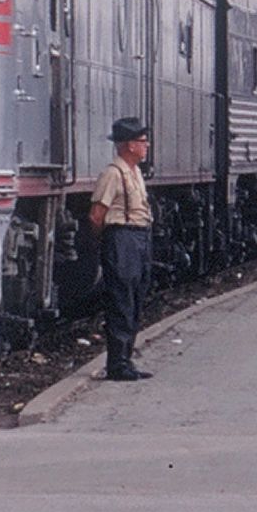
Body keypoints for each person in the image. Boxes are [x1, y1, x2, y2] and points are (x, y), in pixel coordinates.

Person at [89, 117, 155, 381]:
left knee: (136, 300)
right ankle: (117, 365)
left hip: (139, 237)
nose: (146, 145)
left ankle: (126, 360)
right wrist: (108, 241)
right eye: (142, 141)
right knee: (122, 301)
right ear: (129, 145)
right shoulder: (112, 174)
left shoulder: (135, 171)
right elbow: (96, 215)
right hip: (122, 237)